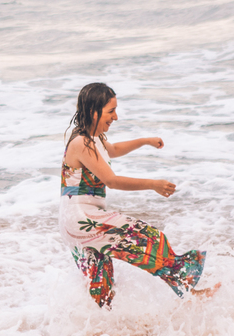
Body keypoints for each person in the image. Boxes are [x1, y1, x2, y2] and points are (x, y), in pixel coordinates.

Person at [60, 82, 220, 308]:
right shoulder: (81, 143)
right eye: (111, 111)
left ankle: (97, 326)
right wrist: (153, 184)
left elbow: (113, 150)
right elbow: (112, 181)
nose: (115, 117)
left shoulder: (94, 138)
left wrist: (145, 141)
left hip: (75, 221)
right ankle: (191, 294)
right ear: (93, 112)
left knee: (102, 288)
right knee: (151, 239)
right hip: (82, 218)